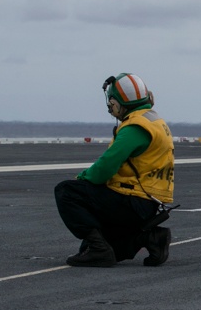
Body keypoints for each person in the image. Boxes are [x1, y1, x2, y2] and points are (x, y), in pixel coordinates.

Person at [54, 73, 175, 267]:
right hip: (149, 204)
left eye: (112, 102)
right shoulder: (154, 121)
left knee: (65, 191)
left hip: (132, 201)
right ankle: (151, 238)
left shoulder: (134, 127)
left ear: (117, 102)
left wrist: (82, 178)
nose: (110, 107)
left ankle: (98, 248)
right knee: (101, 250)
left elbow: (105, 167)